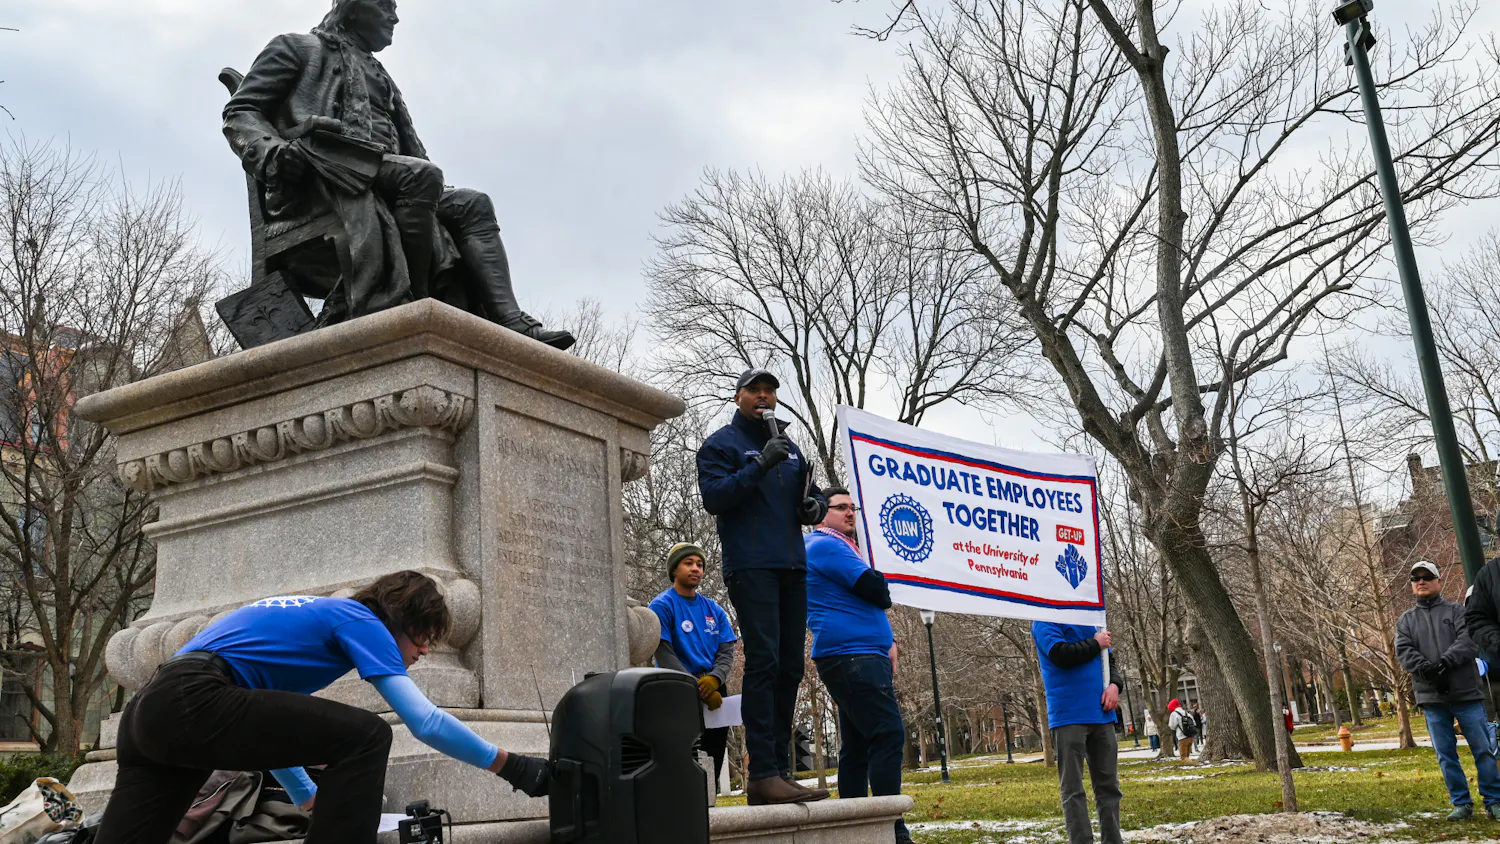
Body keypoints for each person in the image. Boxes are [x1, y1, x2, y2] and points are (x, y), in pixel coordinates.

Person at [92, 571, 551, 844]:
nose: (425, 652)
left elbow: (273, 733)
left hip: (150, 713)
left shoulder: (308, 618)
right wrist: (513, 767)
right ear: (401, 619)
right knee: (370, 735)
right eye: (424, 637)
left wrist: (309, 797)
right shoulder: (361, 619)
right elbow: (425, 721)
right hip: (196, 698)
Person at [224, 0, 573, 348]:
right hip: (325, 175)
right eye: (384, 5)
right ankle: (416, 306)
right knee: (421, 176)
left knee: (473, 203)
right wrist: (272, 152)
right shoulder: (295, 47)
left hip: (385, 172)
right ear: (352, 7)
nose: (395, 16)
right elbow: (241, 111)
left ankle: (509, 320)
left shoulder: (377, 72)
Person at [697, 369, 829, 805]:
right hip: (751, 565)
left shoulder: (789, 447)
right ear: (738, 397)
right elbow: (716, 497)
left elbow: (807, 498)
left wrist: (815, 507)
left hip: (793, 565)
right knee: (765, 662)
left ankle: (780, 769)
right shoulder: (722, 444)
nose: (764, 396)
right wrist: (759, 463)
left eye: (770, 390)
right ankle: (761, 771)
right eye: (755, 390)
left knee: (791, 666)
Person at [806, 488, 912, 844]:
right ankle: (888, 826)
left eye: (853, 507)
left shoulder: (844, 547)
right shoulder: (826, 545)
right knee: (887, 732)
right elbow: (877, 590)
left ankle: (854, 829)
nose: (851, 513)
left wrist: (888, 640)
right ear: (822, 513)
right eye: (841, 507)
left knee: (858, 744)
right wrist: (879, 564)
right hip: (852, 655)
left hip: (861, 653)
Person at [1396, 560, 1500, 821]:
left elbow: (1467, 641)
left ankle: (1494, 800)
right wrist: (1428, 671)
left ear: (1438, 581)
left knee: (1484, 750)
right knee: (1445, 754)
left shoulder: (1458, 612)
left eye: (1427, 577)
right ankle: (1462, 804)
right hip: (1432, 699)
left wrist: (1444, 664)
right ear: (1411, 584)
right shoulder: (1405, 621)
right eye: (1416, 578)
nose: (1421, 581)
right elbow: (1405, 651)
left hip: (1467, 694)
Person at [650, 542, 737, 790]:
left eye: (699, 564)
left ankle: (710, 807)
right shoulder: (662, 605)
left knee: (713, 755)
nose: (696, 569)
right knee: (683, 757)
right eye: (688, 563)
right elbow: (664, 652)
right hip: (677, 689)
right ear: (674, 570)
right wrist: (694, 687)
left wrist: (715, 680)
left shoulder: (714, 609)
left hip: (715, 691)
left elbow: (726, 651)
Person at [1033, 622, 1125, 844]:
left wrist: (1115, 685)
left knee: (1109, 786)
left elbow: (1109, 661)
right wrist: (1095, 642)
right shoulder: (1044, 619)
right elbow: (1060, 654)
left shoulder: (1089, 618)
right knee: (1073, 788)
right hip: (1068, 715)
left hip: (1102, 715)